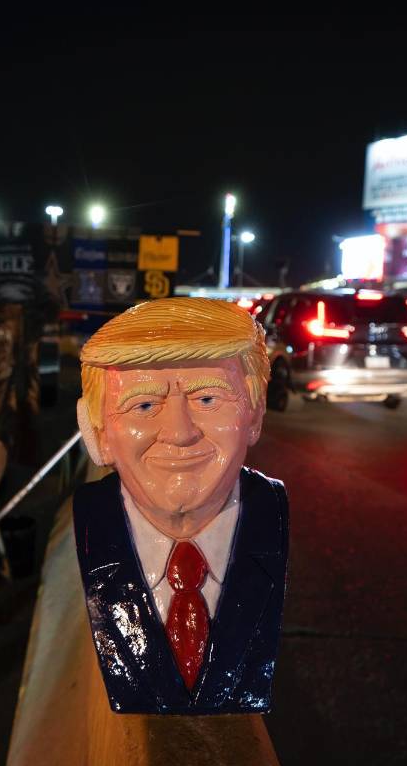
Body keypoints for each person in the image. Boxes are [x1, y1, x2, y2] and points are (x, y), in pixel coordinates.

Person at [72, 297, 289, 714]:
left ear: (256, 415)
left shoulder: (270, 517)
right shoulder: (90, 522)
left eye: (207, 399)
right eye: (144, 405)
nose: (179, 432)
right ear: (96, 432)